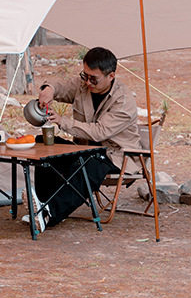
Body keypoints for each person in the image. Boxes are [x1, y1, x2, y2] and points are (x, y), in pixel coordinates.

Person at [30, 47, 139, 232]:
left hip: (115, 155)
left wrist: (62, 121)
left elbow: (99, 132)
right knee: (44, 144)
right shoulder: (83, 85)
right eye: (85, 75)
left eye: (93, 79)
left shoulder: (124, 101)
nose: (87, 82)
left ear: (111, 76)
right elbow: (63, 85)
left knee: (91, 162)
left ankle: (51, 213)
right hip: (85, 149)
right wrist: (49, 89)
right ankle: (41, 205)